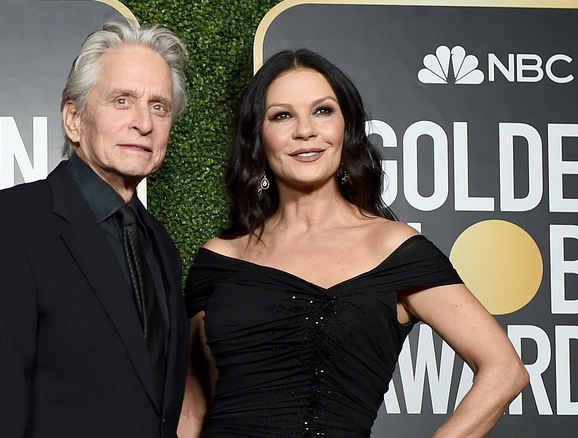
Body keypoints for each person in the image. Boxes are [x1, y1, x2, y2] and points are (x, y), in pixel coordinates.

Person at [178, 49, 528, 437]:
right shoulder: (221, 258)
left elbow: (505, 370)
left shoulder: (393, 249)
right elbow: (194, 410)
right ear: (258, 137)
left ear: (346, 128)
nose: (305, 130)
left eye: (323, 111)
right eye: (282, 115)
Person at [0, 21, 190, 437]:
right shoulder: (4, 226)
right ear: (74, 119)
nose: (144, 122)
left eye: (159, 106)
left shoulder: (160, 246)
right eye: (122, 100)